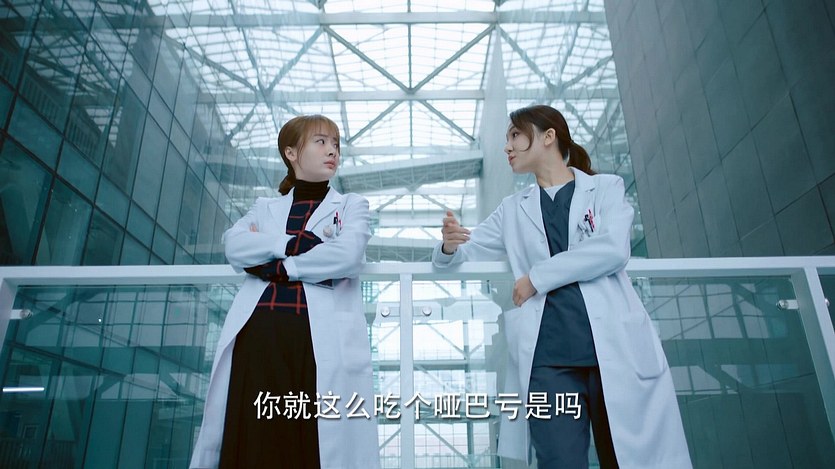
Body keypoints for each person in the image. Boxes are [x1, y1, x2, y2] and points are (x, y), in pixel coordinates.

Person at [433, 105, 691, 469]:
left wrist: (536, 278)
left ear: (548, 136)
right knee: (558, 461)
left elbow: (612, 249)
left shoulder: (605, 188)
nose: (507, 147)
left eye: (515, 135)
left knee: (629, 459)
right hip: (549, 360)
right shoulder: (512, 209)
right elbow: (463, 253)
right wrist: (448, 245)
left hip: (612, 349)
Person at [190, 115, 380, 469]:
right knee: (256, 441)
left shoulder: (351, 205)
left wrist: (280, 267)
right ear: (291, 153)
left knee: (310, 442)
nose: (333, 151)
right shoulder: (266, 207)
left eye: (336, 144)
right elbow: (235, 246)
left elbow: (347, 255)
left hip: (314, 340)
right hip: (259, 336)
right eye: (321, 142)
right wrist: (293, 243)